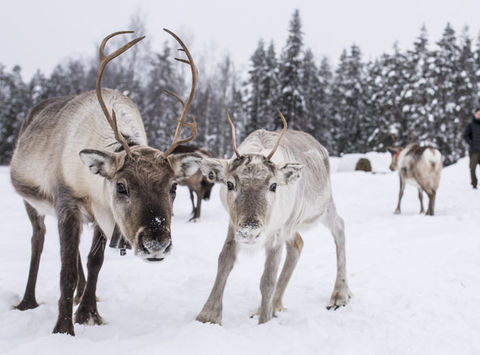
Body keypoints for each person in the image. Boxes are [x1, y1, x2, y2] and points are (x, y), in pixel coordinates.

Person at [464, 108, 480, 189]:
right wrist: (471, 143)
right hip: (474, 151)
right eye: (478, 113)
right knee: (472, 168)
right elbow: (465, 136)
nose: (479, 115)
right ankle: (474, 183)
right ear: (475, 114)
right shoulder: (470, 125)